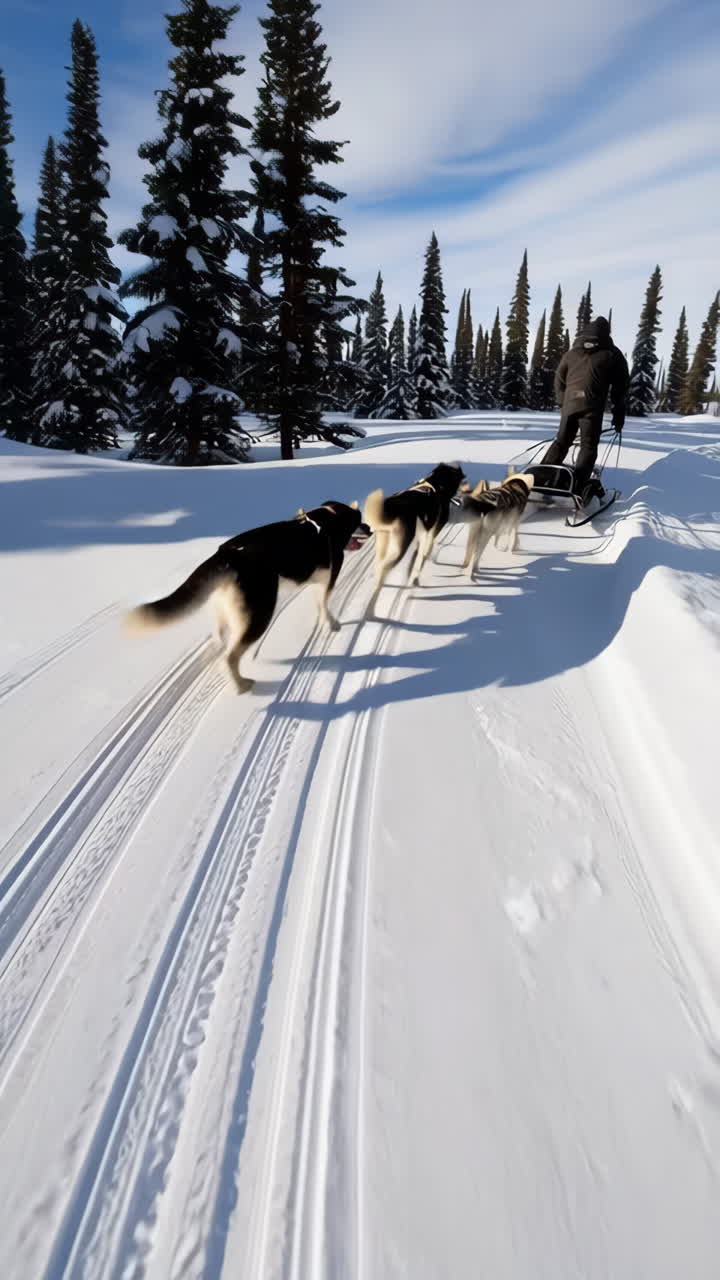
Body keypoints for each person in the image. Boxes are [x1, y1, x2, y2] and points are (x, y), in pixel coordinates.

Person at [541, 315, 629, 505]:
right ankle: (579, 488)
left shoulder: (571, 353)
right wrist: (619, 415)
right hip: (591, 406)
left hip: (569, 404)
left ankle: (540, 479)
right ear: (607, 333)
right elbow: (620, 388)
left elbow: (559, 378)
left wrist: (562, 401)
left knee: (562, 441)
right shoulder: (613, 353)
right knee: (588, 446)